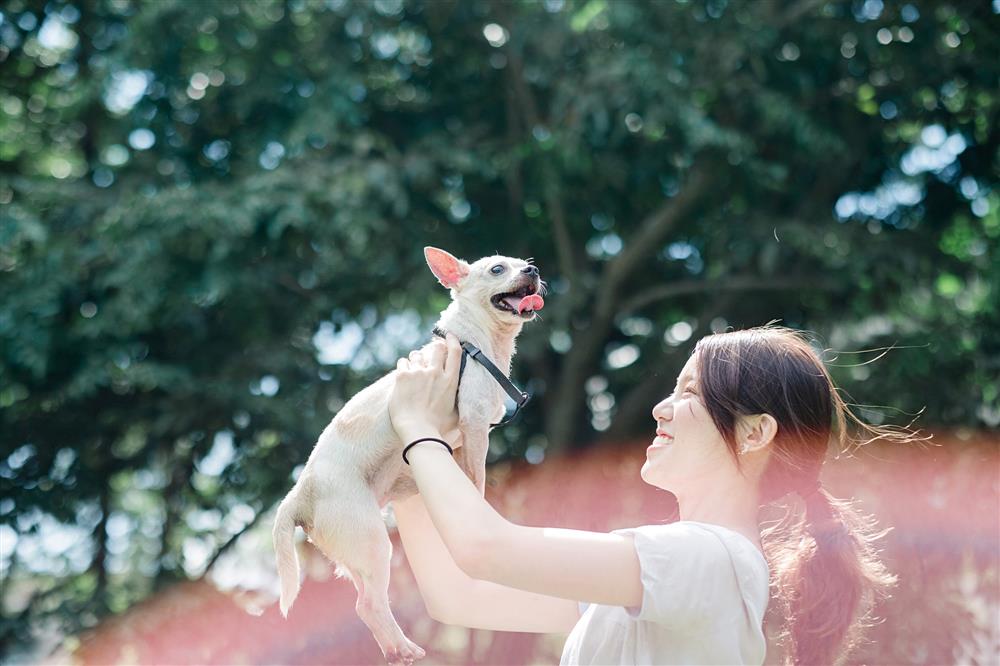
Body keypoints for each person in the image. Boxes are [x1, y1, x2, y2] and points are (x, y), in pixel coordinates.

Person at [389, 325, 912, 665]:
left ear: (755, 433)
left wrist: (418, 428)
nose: (661, 407)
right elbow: (459, 595)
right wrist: (404, 463)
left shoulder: (710, 559)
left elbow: (486, 549)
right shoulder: (677, 572)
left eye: (690, 394)